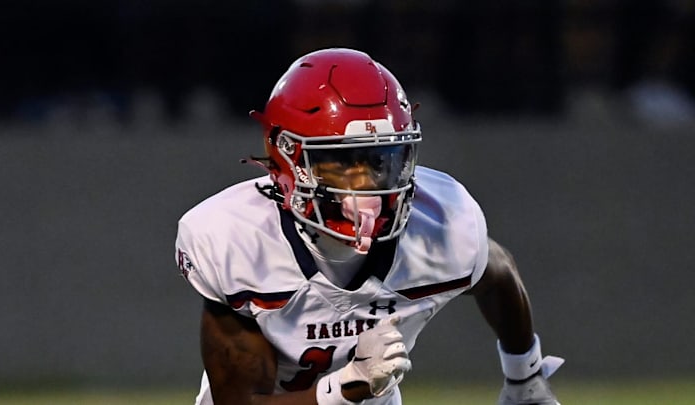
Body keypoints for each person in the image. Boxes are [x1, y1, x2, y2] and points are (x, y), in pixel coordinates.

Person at [175, 47, 564, 405]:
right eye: (342, 162)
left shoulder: (443, 224)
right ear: (289, 157)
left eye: (381, 160)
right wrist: (346, 386)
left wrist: (524, 379)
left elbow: (498, 273)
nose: (366, 183)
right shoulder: (238, 241)